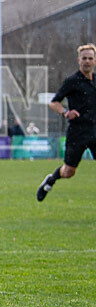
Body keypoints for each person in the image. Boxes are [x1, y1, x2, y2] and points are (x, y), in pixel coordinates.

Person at [37, 43, 96, 202]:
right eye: (84, 58)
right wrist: (65, 112)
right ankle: (51, 179)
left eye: (90, 58)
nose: (87, 61)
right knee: (69, 171)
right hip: (77, 133)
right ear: (79, 60)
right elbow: (54, 102)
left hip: (94, 130)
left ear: (95, 61)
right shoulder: (72, 81)